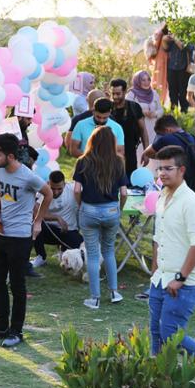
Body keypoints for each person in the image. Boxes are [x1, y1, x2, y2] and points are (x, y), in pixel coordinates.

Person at [148, 145, 195, 377]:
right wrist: (154, 272)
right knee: (156, 333)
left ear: (181, 170)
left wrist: (180, 278)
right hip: (160, 278)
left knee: (171, 333)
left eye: (168, 169)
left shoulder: (192, 203)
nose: (162, 173)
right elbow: (158, 238)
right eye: (160, 168)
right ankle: (160, 377)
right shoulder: (162, 197)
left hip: (185, 281)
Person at [0, 134, 52, 348]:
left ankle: (16, 331)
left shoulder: (27, 176)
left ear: (10, 156)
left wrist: (38, 222)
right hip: (2, 235)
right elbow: (2, 191)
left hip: (20, 237)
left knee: (17, 285)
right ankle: (0, 327)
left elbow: (47, 194)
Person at [74, 127, 128, 309]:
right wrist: (119, 209)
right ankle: (114, 292)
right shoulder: (118, 162)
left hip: (89, 210)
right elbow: (124, 192)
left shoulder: (83, 161)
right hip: (111, 210)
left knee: (92, 254)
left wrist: (81, 205)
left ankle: (95, 298)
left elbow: (76, 190)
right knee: (109, 251)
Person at [31, 171, 82, 268]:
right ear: (48, 183)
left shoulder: (73, 189)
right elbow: (36, 211)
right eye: (53, 188)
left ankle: (63, 250)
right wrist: (57, 218)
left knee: (80, 247)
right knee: (35, 223)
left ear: (65, 184)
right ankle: (41, 257)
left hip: (69, 230)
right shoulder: (44, 191)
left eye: (59, 189)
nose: (55, 192)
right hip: (50, 231)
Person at [109, 79, 149, 177]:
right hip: (110, 153)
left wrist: (146, 152)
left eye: (118, 94)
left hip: (130, 152)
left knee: (130, 180)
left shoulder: (134, 107)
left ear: (125, 92)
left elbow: (143, 130)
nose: (115, 97)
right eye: (113, 94)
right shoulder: (108, 108)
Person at [126, 70, 164, 159]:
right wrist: (141, 112)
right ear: (137, 81)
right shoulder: (131, 94)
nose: (146, 82)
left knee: (153, 151)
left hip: (153, 128)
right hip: (138, 128)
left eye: (148, 79)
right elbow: (127, 109)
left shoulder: (154, 93)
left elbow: (161, 110)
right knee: (140, 152)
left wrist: (155, 113)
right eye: (143, 80)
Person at [166, 33, 194, 113]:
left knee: (183, 91)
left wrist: (175, 38)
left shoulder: (188, 35)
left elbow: (184, 47)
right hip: (171, 67)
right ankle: (174, 110)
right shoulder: (170, 36)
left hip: (184, 67)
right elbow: (165, 48)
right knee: (172, 90)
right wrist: (165, 39)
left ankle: (184, 110)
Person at [144, 25, 170, 102]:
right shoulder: (162, 34)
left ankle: (160, 100)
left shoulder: (160, 34)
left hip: (161, 60)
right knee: (160, 82)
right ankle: (160, 100)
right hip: (162, 60)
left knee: (159, 81)